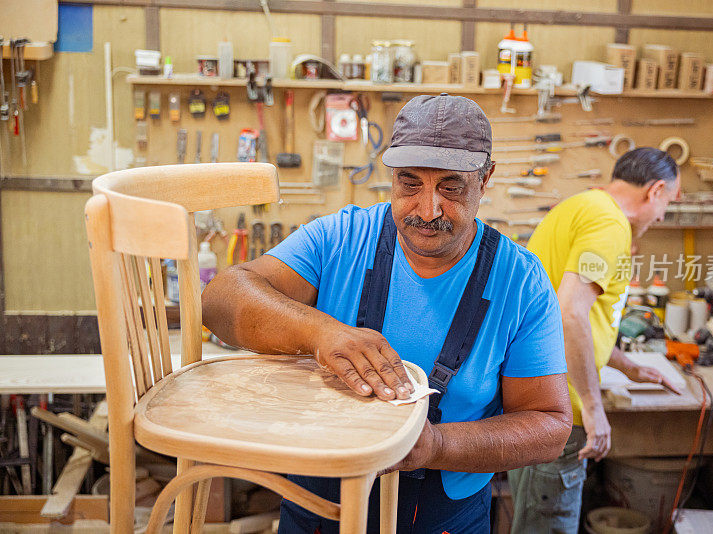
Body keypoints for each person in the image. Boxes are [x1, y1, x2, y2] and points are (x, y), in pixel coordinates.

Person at [202, 94, 572, 533]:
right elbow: (220, 299)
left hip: (444, 517)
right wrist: (322, 333)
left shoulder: (521, 282)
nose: (427, 210)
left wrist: (437, 444)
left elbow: (549, 425)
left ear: (485, 179)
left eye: (451, 187)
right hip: (319, 504)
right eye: (409, 183)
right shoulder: (342, 237)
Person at [507, 147, 683, 534]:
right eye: (667, 203)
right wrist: (592, 405)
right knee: (545, 525)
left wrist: (628, 365)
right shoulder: (610, 223)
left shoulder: (582, 206)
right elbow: (571, 312)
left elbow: (569, 313)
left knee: (530, 518)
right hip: (559, 405)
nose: (663, 216)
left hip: (533, 395)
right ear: (654, 191)